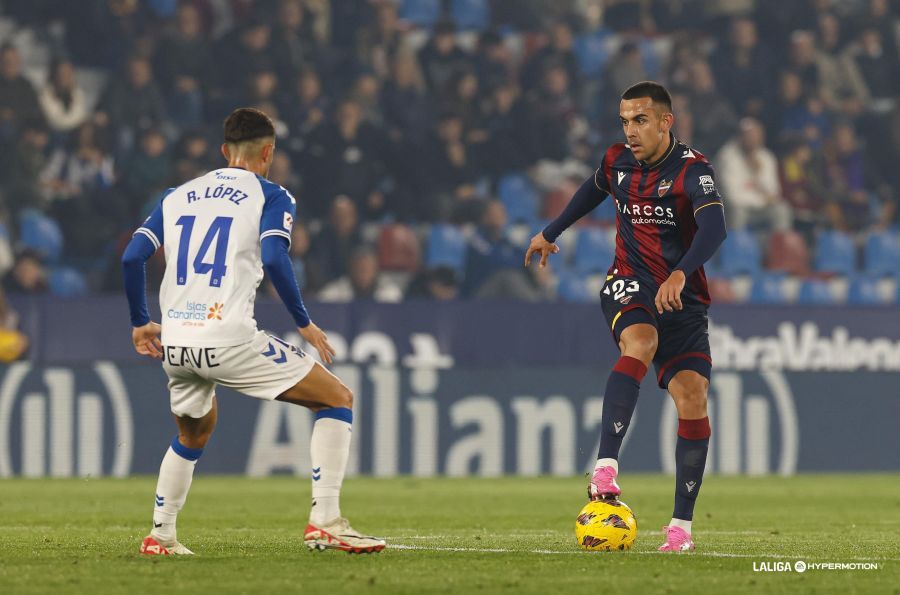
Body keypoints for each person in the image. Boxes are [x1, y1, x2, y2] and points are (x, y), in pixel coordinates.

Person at [121, 108, 384, 556]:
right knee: (337, 398)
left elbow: (131, 258)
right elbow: (278, 259)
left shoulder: (177, 195)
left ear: (224, 151)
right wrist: (304, 322)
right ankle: (326, 521)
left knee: (192, 434)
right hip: (228, 337)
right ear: (269, 153)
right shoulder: (271, 195)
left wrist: (140, 322)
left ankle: (161, 535)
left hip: (177, 343)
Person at [525, 82, 727, 553]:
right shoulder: (617, 160)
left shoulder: (694, 171)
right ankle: (605, 467)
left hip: (682, 297)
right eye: (625, 120)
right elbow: (591, 191)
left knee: (693, 397)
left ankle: (680, 529)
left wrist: (681, 273)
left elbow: (715, 228)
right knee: (640, 341)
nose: (630, 131)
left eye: (639, 120)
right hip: (628, 281)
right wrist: (549, 232)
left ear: (665, 122)